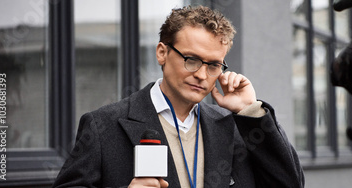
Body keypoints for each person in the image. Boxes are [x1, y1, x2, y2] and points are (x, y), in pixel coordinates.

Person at [53, 5, 304, 188]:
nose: (202, 75)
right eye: (191, 60)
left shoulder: (236, 125)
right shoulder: (103, 126)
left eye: (214, 65)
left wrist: (250, 111)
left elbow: (289, 183)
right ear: (162, 53)